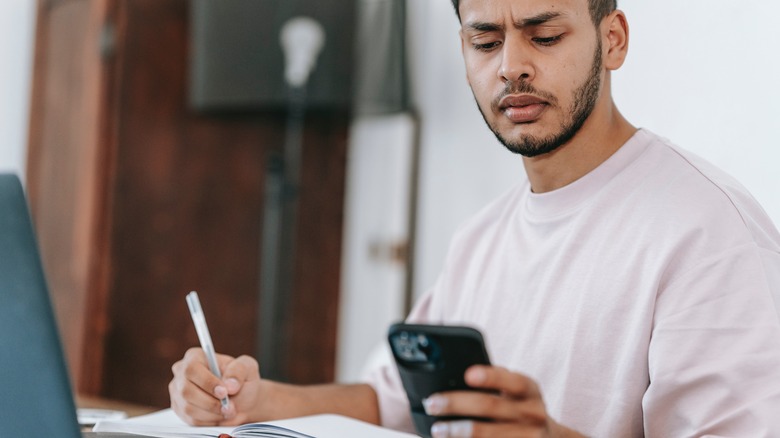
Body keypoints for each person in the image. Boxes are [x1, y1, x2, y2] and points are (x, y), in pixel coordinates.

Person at [169, 0, 780, 436]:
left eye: (543, 35)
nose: (511, 65)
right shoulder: (482, 236)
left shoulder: (710, 234)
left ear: (613, 39)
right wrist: (253, 398)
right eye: (485, 42)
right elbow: (394, 402)